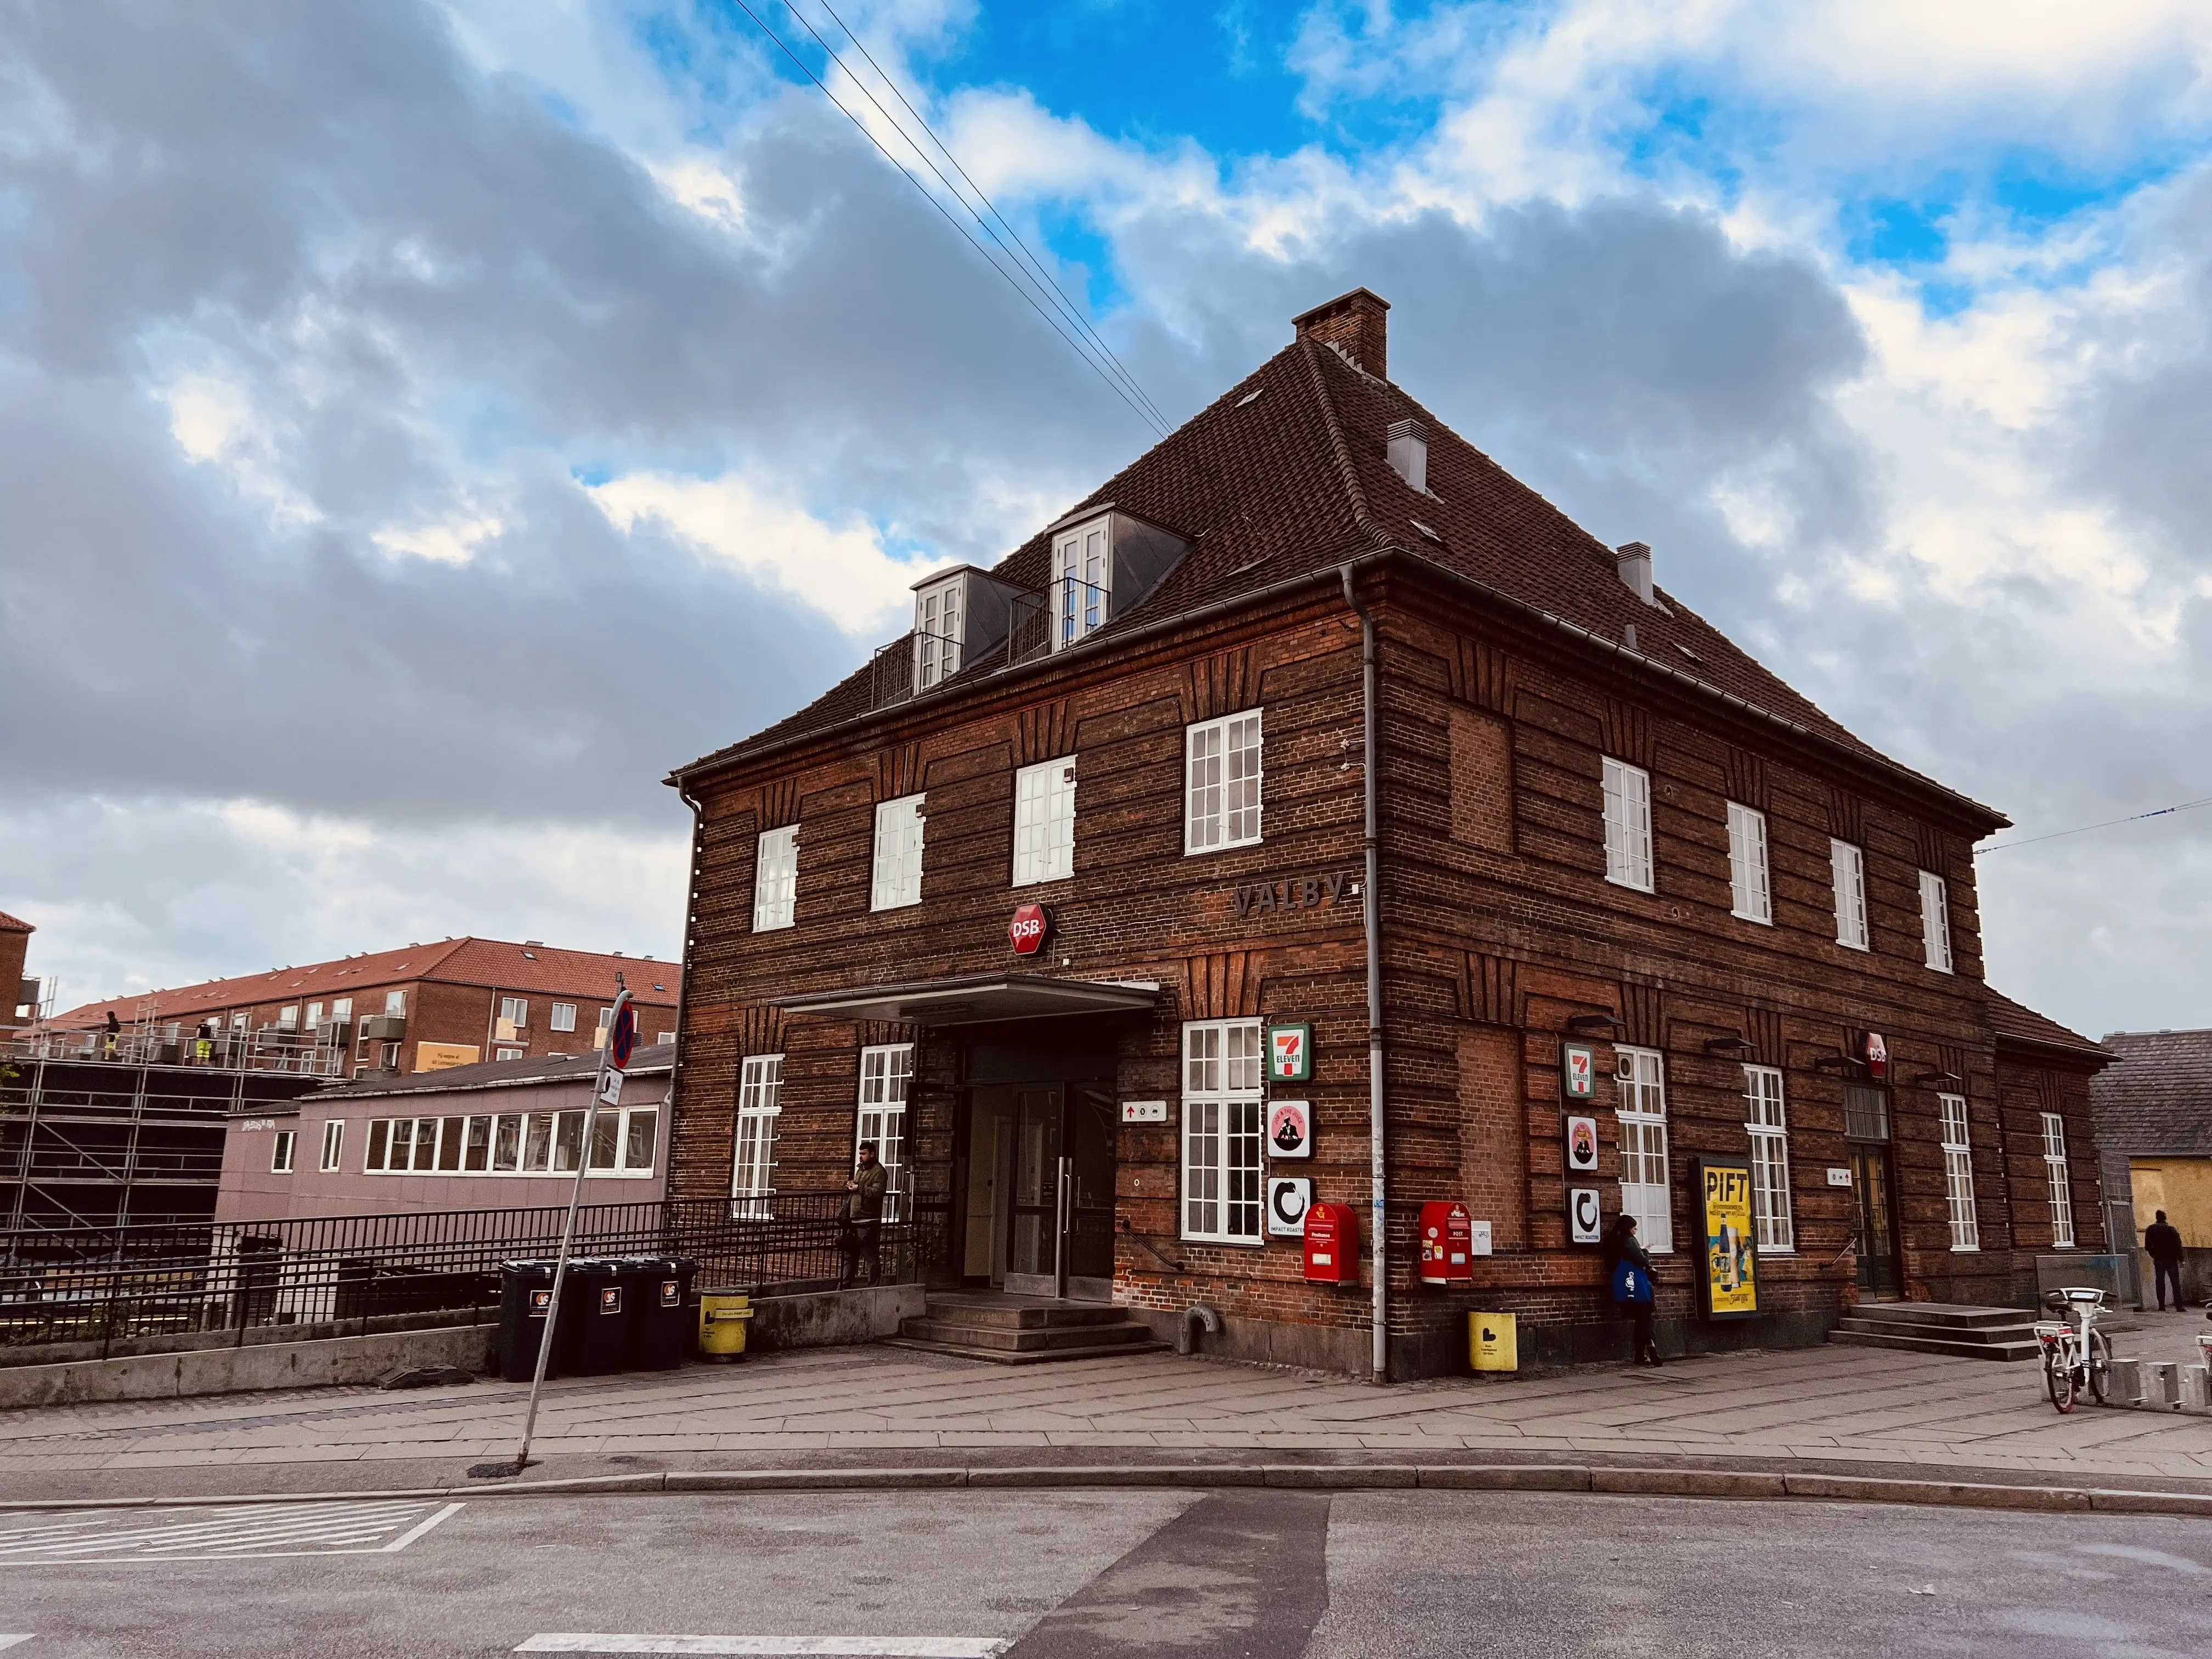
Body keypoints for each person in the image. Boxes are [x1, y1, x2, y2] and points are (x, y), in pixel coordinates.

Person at [1605, 1213, 1662, 1366]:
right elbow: (1641, 1259)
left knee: (1641, 1319)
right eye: (1634, 1227)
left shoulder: (1613, 1241)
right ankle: (1649, 1351)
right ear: (1628, 1228)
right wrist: (1645, 1251)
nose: (1635, 1230)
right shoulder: (1629, 1240)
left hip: (1623, 1285)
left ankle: (1643, 1353)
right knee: (1645, 1319)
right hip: (1638, 1285)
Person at [838, 1141, 889, 1288]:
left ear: (872, 1154)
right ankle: (844, 1285)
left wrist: (858, 1187)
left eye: (864, 1153)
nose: (861, 1156)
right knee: (850, 1256)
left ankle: (873, 1286)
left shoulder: (879, 1172)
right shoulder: (861, 1170)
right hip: (855, 1221)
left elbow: (878, 1192)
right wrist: (851, 1186)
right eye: (860, 1153)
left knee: (870, 1255)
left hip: (869, 1220)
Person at [2145, 1210, 2187, 1311]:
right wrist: (2181, 1260)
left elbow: (2147, 1246)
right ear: (2165, 1218)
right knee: (2175, 1283)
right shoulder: (2171, 1230)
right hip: (2171, 1259)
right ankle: (2179, 1306)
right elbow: (2178, 1245)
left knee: (2160, 1282)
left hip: (2159, 1259)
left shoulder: (2151, 1229)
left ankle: (2162, 1305)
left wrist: (2154, 1255)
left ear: (2156, 1218)